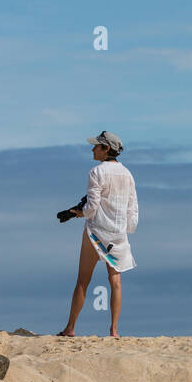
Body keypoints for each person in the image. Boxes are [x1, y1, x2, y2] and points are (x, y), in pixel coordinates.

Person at [58, 131, 139, 337]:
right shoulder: (128, 174)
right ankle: (114, 329)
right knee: (116, 281)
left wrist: (78, 212)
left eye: (97, 146)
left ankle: (70, 327)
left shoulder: (96, 172)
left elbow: (92, 206)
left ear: (106, 149)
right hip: (118, 234)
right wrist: (127, 228)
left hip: (96, 232)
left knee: (83, 281)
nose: (93, 149)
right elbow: (132, 208)